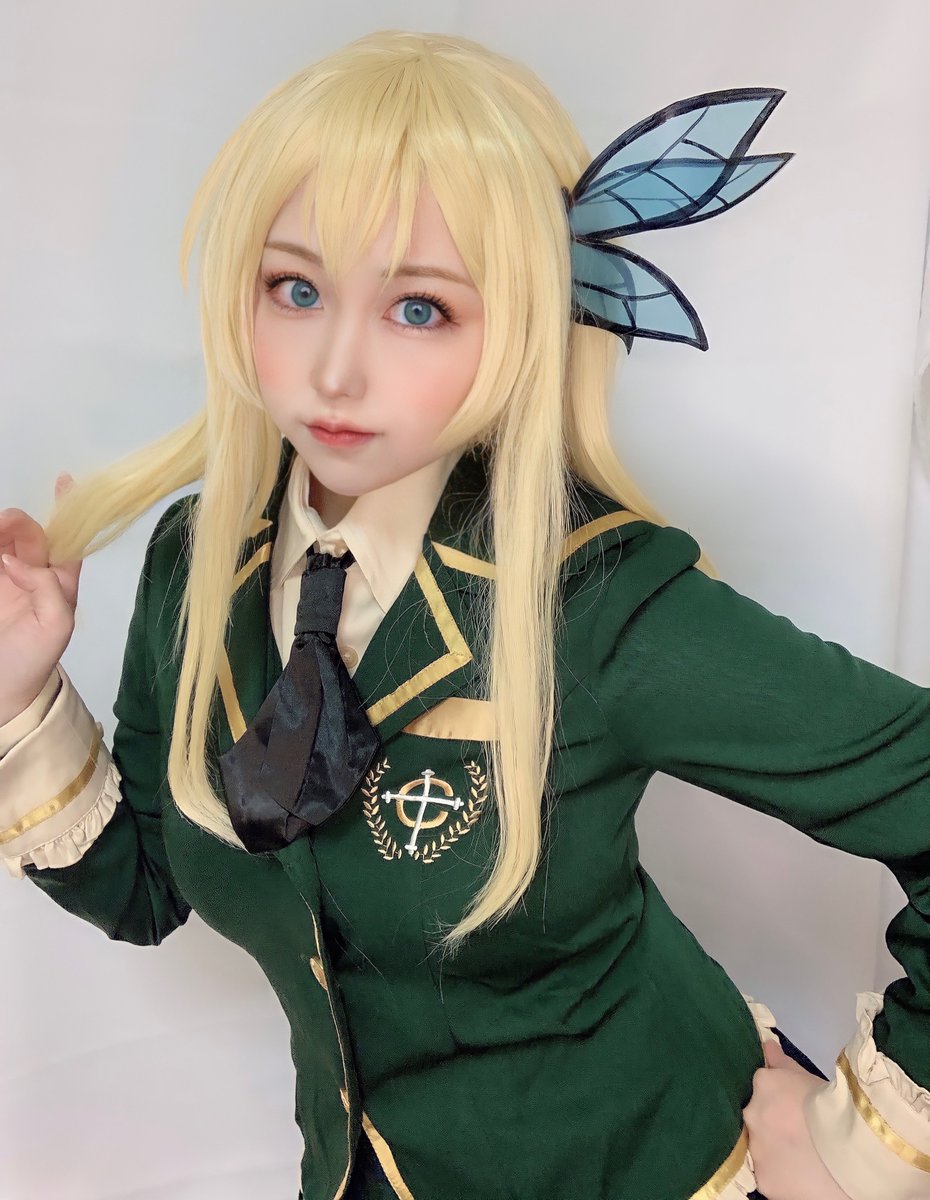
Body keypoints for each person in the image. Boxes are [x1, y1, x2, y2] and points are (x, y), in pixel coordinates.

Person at [1, 29, 927, 1200]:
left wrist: (864, 1149)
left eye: (419, 309)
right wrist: (23, 698)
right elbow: (145, 892)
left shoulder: (598, 605)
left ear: (521, 321)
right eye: (297, 289)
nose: (335, 370)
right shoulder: (199, 562)